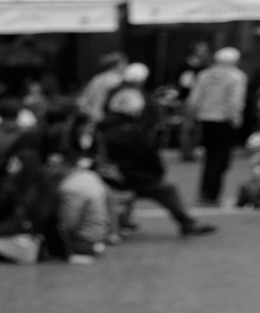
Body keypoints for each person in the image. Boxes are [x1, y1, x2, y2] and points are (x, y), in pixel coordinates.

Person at [100, 87, 215, 238]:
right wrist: (156, 172)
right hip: (131, 177)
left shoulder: (103, 127)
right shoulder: (130, 131)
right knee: (167, 188)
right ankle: (188, 223)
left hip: (111, 176)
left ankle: (124, 221)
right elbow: (148, 157)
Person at [188, 47, 247, 206]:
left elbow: (194, 99)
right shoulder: (237, 76)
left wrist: (196, 114)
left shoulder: (204, 75)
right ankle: (212, 194)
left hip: (206, 118)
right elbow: (235, 101)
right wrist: (235, 118)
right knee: (221, 158)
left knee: (209, 156)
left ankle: (205, 192)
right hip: (224, 120)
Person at [77, 51, 126, 124]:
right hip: (105, 120)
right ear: (119, 65)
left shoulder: (97, 78)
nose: (126, 67)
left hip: (90, 117)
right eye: (125, 63)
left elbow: (84, 99)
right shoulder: (118, 80)